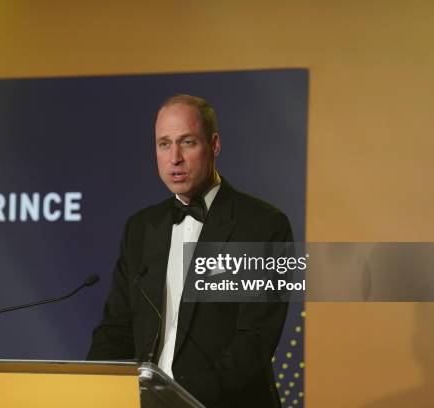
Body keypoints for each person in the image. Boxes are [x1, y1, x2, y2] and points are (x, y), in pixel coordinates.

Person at [87, 94, 292, 408]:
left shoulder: (262, 226)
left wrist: (182, 400)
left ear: (214, 145)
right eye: (164, 144)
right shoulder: (141, 228)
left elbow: (254, 340)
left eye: (187, 142)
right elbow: (116, 328)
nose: (175, 158)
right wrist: (92, 390)